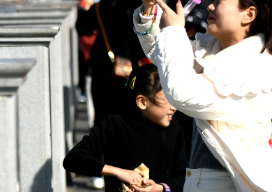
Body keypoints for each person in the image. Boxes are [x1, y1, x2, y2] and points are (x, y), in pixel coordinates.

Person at [135, 0, 272, 192]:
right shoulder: (213, 49)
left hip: (229, 184)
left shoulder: (253, 65)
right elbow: (161, 54)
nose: (210, 6)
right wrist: (149, 7)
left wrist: (174, 31)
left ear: (248, 14)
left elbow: (182, 94)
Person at [63, 63, 187, 192]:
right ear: (142, 102)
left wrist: (160, 188)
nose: (174, 107)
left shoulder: (174, 131)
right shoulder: (115, 125)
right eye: (167, 100)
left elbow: (183, 177)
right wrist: (117, 172)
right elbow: (73, 159)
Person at [77, 0, 146, 125]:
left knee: (104, 119)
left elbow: (82, 27)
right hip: (135, 70)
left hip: (104, 69)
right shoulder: (142, 7)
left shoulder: (100, 7)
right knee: (132, 120)